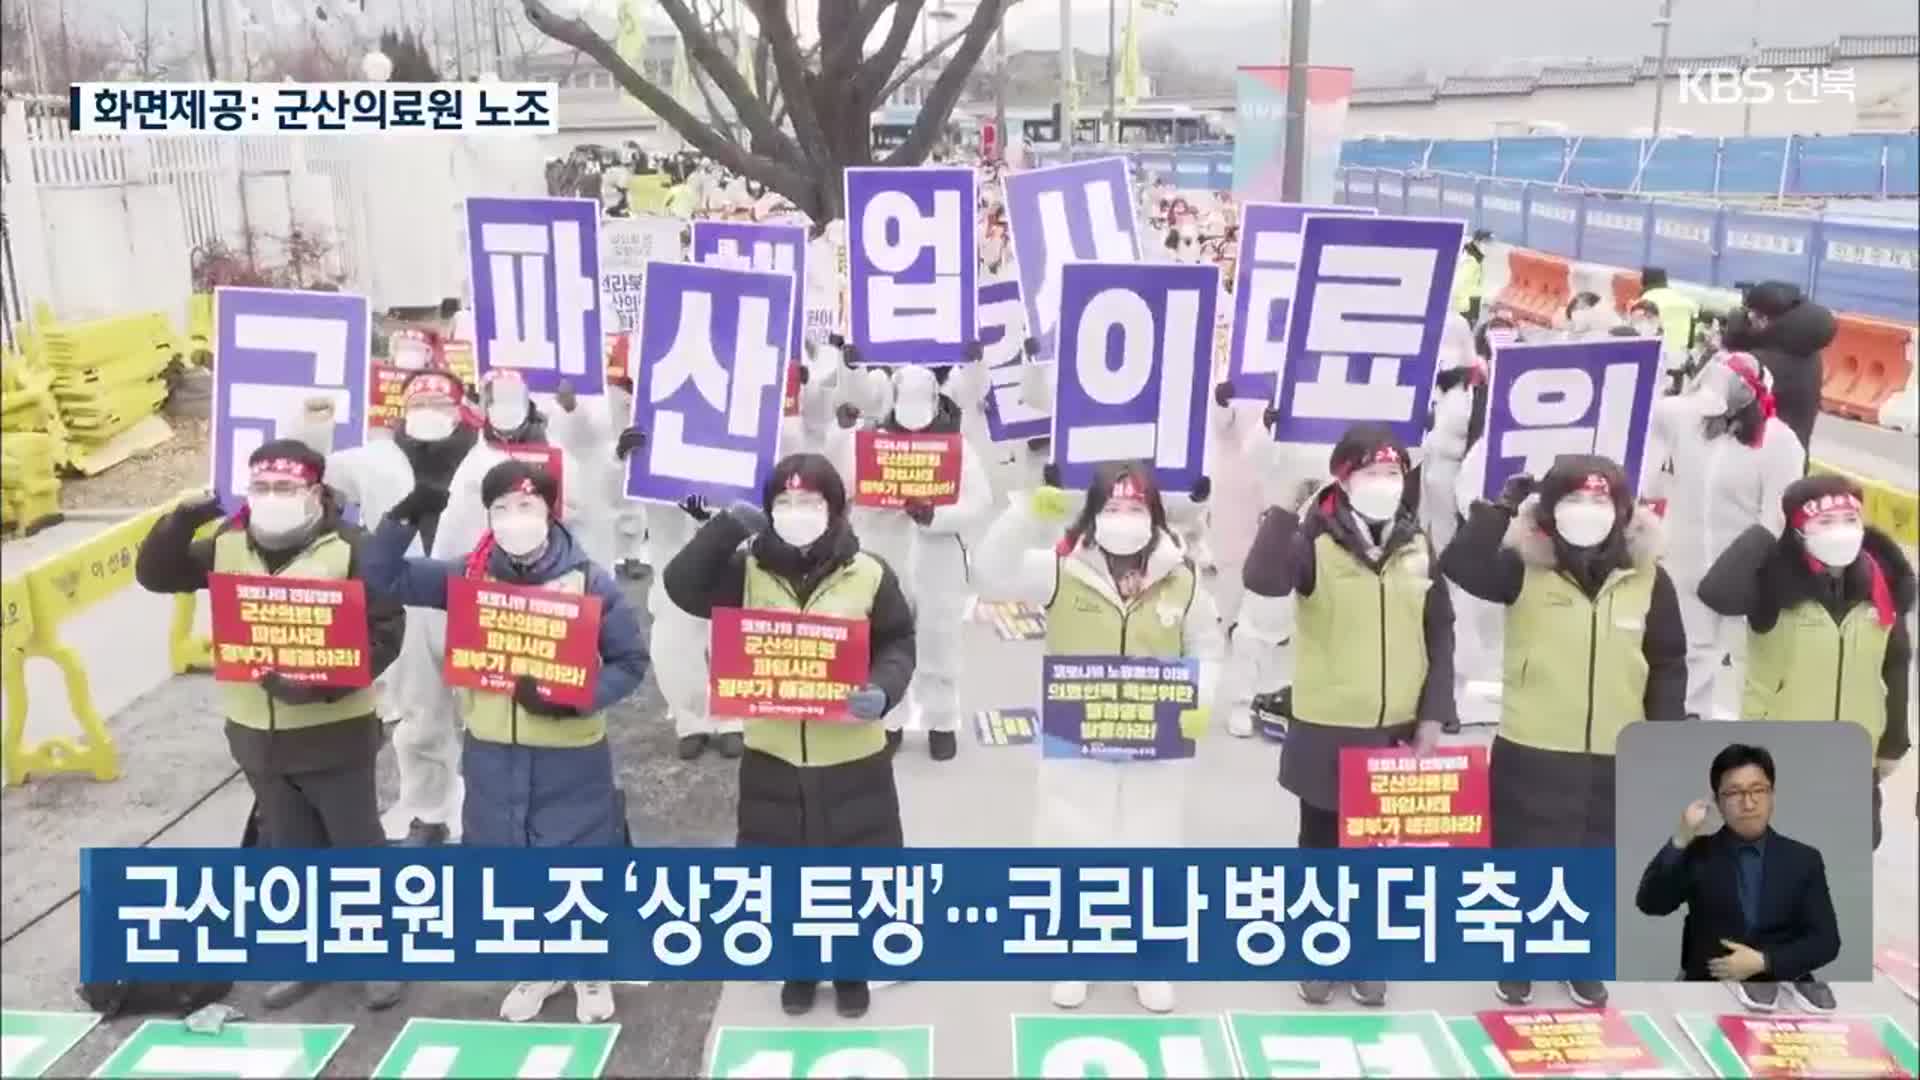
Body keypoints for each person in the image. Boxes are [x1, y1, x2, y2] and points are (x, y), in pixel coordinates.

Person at [363, 458, 649, 1024]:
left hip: (571, 754)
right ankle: (538, 967)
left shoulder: (590, 580)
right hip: (491, 751)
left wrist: (576, 696)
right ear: (487, 516)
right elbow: (382, 578)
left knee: (579, 862)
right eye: (502, 508)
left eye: (527, 506)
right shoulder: (468, 577)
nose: (515, 518)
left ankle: (591, 971)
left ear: (550, 511)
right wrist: (402, 520)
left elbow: (630, 662)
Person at [134, 440, 407, 1012]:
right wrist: (183, 518)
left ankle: (379, 959)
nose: (273, 499)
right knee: (292, 850)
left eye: (286, 489)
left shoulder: (353, 549)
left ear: (316, 492)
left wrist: (317, 683)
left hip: (335, 733)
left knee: (356, 849)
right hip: (256, 737)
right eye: (262, 488)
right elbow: (157, 576)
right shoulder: (228, 544)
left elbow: (384, 635)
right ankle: (310, 959)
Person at [662, 453, 918, 1020]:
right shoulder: (746, 569)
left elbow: (898, 640)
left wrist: (883, 687)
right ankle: (800, 964)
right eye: (784, 501)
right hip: (773, 752)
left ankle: (852, 968)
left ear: (836, 510)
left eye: (810, 502)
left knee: (854, 868)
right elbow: (681, 586)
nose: (796, 512)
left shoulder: (870, 572)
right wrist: (727, 525)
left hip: (852, 754)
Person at [974, 461, 1221, 1013]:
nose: (1124, 519)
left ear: (1155, 517)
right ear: (1093, 514)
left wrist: (1201, 701)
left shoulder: (1182, 575)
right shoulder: (1062, 569)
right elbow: (989, 573)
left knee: (1150, 845)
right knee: (1073, 841)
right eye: (1112, 508)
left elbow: (1206, 643)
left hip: (1155, 742)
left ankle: (1148, 957)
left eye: (1136, 509)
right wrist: (1026, 512)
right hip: (1076, 738)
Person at [1442, 454, 1687, 1009]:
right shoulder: (1522, 565)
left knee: (1595, 859)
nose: (1588, 511)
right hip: (1535, 741)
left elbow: (1668, 662)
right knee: (1525, 856)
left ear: (1622, 510)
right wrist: (1499, 510)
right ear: (1550, 509)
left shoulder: (1648, 577)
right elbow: (1461, 563)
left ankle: (1579, 957)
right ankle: (1518, 958)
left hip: (1614, 747)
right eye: (1574, 499)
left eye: (1601, 500)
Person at [1238, 425, 1454, 1008]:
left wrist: (1435, 713)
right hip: (1329, 727)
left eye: (1393, 474)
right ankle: (1318, 950)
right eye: (1370, 474)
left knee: (1381, 853)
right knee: (1324, 846)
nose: (1384, 485)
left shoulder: (1417, 542)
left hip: (1396, 727)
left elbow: (1440, 630)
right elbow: (1262, 580)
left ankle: (1368, 953)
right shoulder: (1315, 540)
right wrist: (1284, 507)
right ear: (1342, 479)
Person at [293, 369, 481, 845]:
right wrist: (313, 422)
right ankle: (429, 811)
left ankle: (490, 811)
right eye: (418, 402)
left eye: (440, 402)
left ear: (460, 407)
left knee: (490, 710)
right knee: (420, 714)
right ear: (401, 409)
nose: (428, 411)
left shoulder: (488, 456)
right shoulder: (373, 460)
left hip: (478, 597)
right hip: (405, 601)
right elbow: (310, 471)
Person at [1696, 473, 1913, 849]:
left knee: (1857, 847)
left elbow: (1896, 664)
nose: (1840, 532)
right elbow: (1716, 593)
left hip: (1853, 754)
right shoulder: (1772, 582)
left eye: (1850, 521)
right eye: (1825, 522)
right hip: (1780, 756)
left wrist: (1894, 741)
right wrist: (1763, 534)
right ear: (1798, 531)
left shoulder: (1879, 588)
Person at [830, 365, 992, 761]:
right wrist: (845, 434)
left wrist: (936, 515)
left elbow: (979, 502)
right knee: (886, 637)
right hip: (884, 553)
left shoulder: (955, 448)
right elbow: (841, 485)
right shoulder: (872, 442)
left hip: (940, 558)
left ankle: (942, 720)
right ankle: (891, 719)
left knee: (939, 639)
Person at [1649, 351, 1804, 721]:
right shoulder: (1690, 423)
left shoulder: (1779, 443)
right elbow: (1651, 410)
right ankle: (1688, 727)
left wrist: (1750, 571)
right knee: (1689, 652)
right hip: (1685, 561)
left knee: (1747, 662)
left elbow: (1777, 517)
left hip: (1743, 572)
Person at [1635, 743, 1841, 1013]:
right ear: (1718, 802)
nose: (1748, 802)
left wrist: (1764, 962)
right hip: (1709, 988)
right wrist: (1681, 837)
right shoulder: (1699, 852)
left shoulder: (1803, 859)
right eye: (1734, 793)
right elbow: (1651, 903)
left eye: (1758, 790)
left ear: (1772, 795)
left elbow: (1826, 941)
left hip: (1780, 989)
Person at [1724, 281, 1835, 462]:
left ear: (1764, 320)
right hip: (1793, 458)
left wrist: (1729, 344)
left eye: (1751, 315)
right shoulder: (1808, 353)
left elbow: (1718, 401)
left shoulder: (1761, 362)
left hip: (1755, 464)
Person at [1637, 267, 1700, 361]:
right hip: (1681, 358)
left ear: (1644, 281)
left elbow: (1639, 337)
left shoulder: (1645, 300)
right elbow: (1692, 341)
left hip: (1656, 358)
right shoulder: (1687, 301)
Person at [1453, 228, 1491, 324]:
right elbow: (1461, 280)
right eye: (1487, 241)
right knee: (1468, 327)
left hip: (1473, 297)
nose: (1489, 245)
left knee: (1470, 325)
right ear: (1480, 241)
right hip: (1468, 299)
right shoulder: (1471, 258)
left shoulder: (1476, 256)